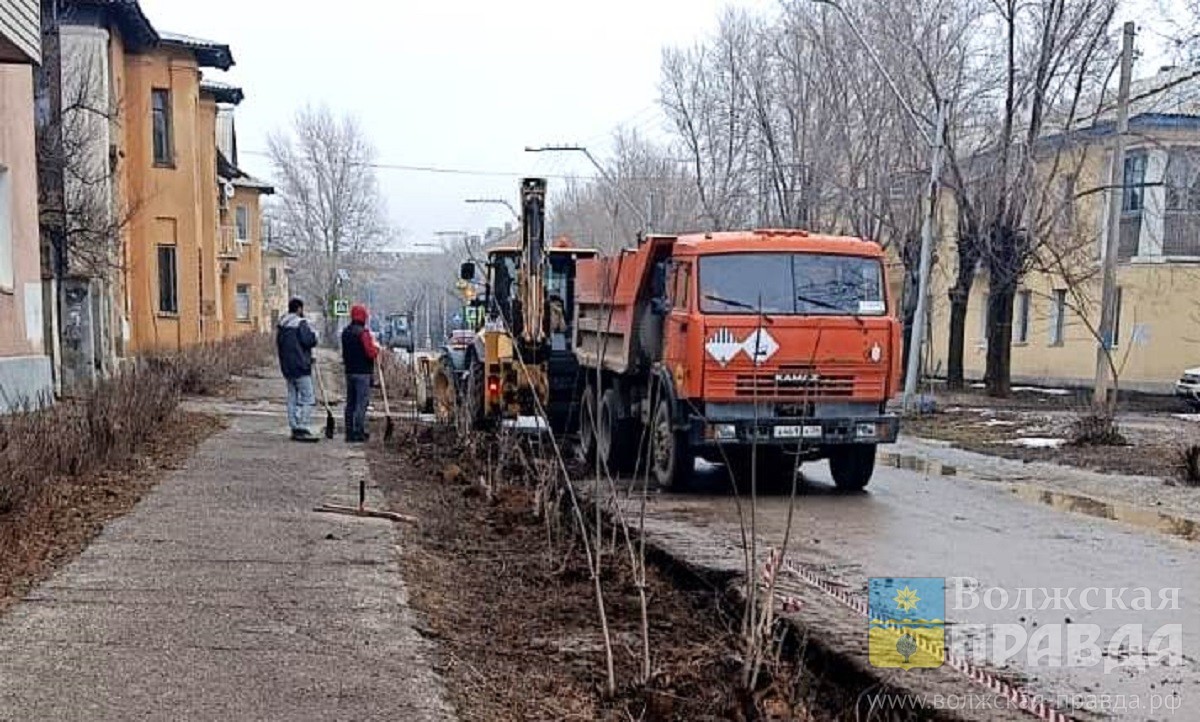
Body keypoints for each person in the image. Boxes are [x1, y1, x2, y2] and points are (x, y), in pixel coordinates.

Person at [277, 297, 320, 443]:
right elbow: (309, 341)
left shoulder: (282, 325)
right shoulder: (300, 323)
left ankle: (294, 426)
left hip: (287, 367)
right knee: (308, 398)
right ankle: (302, 426)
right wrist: (315, 336)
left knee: (292, 397)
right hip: (301, 366)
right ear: (299, 309)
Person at [341, 303, 380, 443]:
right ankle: (358, 431)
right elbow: (370, 353)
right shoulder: (363, 333)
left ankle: (349, 432)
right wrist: (376, 351)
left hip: (349, 371)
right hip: (362, 372)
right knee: (361, 403)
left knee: (350, 402)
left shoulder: (345, 332)